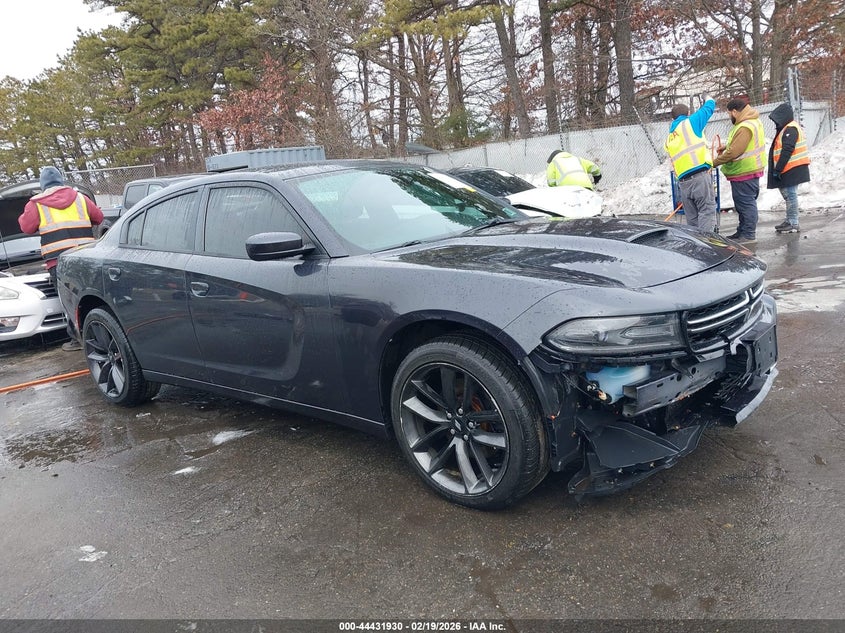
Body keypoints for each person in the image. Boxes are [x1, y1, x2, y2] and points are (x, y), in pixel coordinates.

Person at [18, 166, 103, 351]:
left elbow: (25, 226)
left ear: (43, 185)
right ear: (61, 180)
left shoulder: (36, 204)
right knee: (93, 296)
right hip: (86, 257)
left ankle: (76, 341)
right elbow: (99, 217)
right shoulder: (81, 198)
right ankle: (101, 335)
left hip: (58, 261)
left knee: (69, 301)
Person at [712, 98, 766, 244]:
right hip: (747, 170)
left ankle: (748, 234)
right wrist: (726, 146)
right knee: (742, 203)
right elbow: (739, 144)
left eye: (729, 113)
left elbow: (735, 152)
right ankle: (742, 231)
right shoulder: (751, 122)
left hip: (745, 171)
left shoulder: (745, 126)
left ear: (735, 112)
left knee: (745, 203)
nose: (729, 116)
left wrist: (714, 163)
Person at [665, 97, 718, 232]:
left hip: (683, 182)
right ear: (687, 114)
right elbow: (708, 108)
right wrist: (709, 98)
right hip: (699, 177)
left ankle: (696, 248)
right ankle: (707, 246)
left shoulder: (670, 137)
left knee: (692, 218)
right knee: (706, 211)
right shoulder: (690, 123)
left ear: (673, 119)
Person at [767, 102, 810, 234]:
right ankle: (790, 220)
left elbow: (787, 150)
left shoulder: (790, 129)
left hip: (792, 168)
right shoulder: (787, 128)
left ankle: (793, 222)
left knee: (790, 195)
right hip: (790, 168)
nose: (775, 122)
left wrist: (778, 169)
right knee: (788, 195)